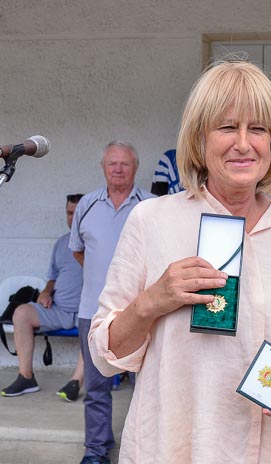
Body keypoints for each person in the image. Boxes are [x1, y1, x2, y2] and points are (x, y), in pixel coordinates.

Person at [88, 60, 271, 463]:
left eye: (258, 129)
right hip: (179, 445)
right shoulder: (153, 220)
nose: (243, 143)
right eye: (227, 127)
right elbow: (105, 355)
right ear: (199, 139)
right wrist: (154, 300)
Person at [70, 142, 154, 464]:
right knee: (96, 389)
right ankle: (96, 451)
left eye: (124, 164)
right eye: (112, 164)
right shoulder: (87, 205)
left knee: (146, 388)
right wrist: (106, 280)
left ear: (135, 167)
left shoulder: (151, 205)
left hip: (145, 315)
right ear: (102, 167)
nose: (118, 169)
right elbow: (79, 251)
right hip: (92, 311)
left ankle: (144, 451)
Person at [1, 193, 85, 401]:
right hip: (59, 309)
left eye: (77, 213)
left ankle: (76, 381)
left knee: (94, 321)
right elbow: (53, 277)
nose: (72, 218)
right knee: (21, 313)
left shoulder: (99, 243)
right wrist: (47, 292)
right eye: (69, 213)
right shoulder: (61, 243)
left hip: (88, 310)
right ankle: (26, 377)